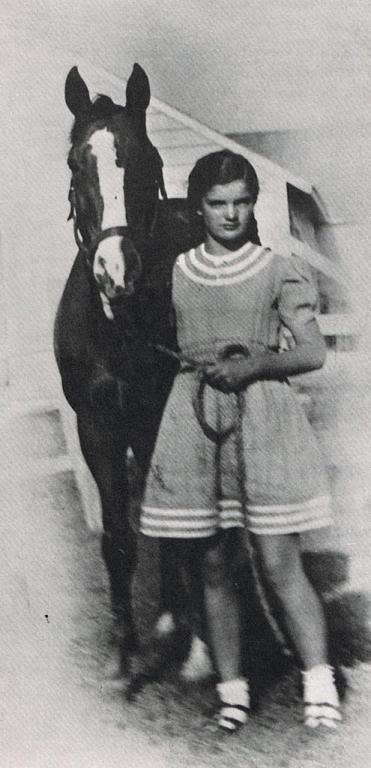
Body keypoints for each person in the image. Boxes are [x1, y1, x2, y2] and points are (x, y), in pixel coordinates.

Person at [140, 149, 341, 732]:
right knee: (213, 564)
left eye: (241, 202)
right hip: (195, 422)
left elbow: (312, 352)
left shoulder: (277, 269)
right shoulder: (176, 272)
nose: (230, 214)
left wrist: (254, 366)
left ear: (253, 205)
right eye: (217, 203)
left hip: (264, 418)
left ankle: (320, 686)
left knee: (280, 561)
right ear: (198, 208)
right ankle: (232, 693)